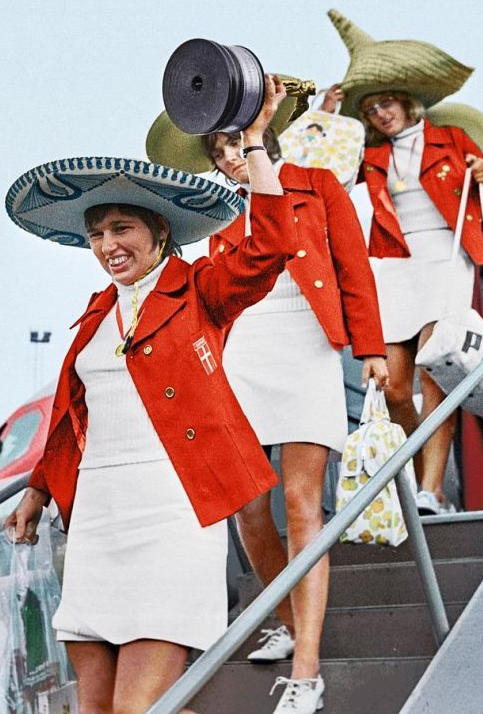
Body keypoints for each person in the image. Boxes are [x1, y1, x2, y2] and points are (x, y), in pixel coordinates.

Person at [5, 77, 296, 714]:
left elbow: (273, 245)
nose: (109, 246)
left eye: (121, 227)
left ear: (160, 231)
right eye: (97, 234)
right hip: (96, 514)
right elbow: (70, 417)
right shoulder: (93, 315)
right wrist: (37, 490)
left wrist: (254, 144)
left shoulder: (202, 291)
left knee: (142, 707)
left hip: (172, 509)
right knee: (97, 709)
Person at [195, 121, 386, 710]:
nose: (228, 158)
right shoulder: (216, 210)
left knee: (303, 504)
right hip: (246, 348)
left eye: (237, 145)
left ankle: (307, 668)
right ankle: (291, 619)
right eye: (218, 150)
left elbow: (354, 265)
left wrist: (372, 347)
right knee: (248, 509)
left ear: (264, 140)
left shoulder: (317, 184)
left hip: (307, 341)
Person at [320, 23, 483, 514]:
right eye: (370, 110)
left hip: (447, 258)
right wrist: (324, 115)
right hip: (393, 263)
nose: (380, 114)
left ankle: (432, 490)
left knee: (435, 371)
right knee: (392, 386)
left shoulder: (450, 138)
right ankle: (423, 468)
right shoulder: (372, 155)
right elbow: (324, 170)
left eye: (385, 103)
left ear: (407, 101)